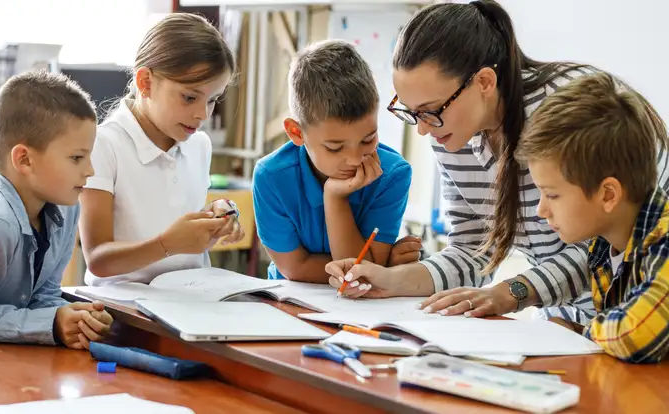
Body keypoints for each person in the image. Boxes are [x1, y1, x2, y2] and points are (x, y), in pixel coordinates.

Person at [326, 0, 669, 323]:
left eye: (431, 112)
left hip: (636, 313)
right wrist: (393, 280)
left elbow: (606, 243)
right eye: (412, 113)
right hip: (564, 325)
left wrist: (512, 292)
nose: (423, 131)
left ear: (484, 82)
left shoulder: (568, 116)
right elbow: (474, 250)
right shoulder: (451, 134)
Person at [0, 71, 112, 349]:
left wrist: (72, 319)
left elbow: (44, 294)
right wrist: (49, 323)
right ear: (24, 159)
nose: (90, 170)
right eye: (76, 158)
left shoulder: (66, 211)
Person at [79, 13, 244, 286]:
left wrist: (214, 218)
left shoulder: (200, 145)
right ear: (145, 83)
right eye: (189, 97)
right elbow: (97, 259)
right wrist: (166, 244)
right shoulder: (105, 144)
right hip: (125, 309)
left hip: (191, 298)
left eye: (213, 100)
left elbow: (176, 221)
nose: (202, 114)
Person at [517, 72, 669, 363]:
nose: (541, 210)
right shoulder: (603, 247)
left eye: (552, 195)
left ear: (608, 195)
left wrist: (583, 332)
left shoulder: (664, 241)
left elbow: (636, 334)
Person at [253, 40, 414, 282]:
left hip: (360, 310)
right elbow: (294, 269)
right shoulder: (272, 177)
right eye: (335, 147)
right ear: (297, 133)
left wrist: (335, 198)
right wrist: (382, 265)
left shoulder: (392, 174)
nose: (355, 158)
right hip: (287, 304)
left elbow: (361, 276)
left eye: (368, 139)